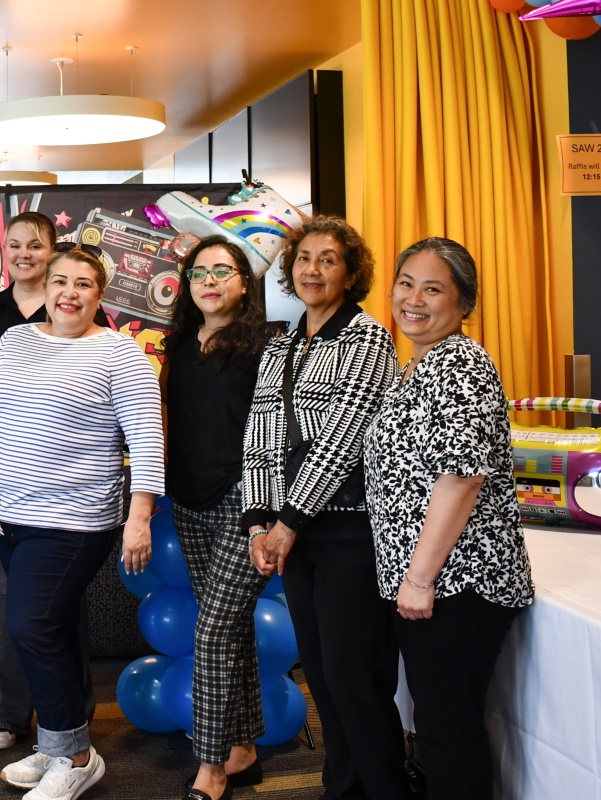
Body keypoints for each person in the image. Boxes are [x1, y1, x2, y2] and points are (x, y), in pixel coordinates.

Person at [0, 246, 164, 800]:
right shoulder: (14, 341)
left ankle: (75, 756)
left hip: (74, 520)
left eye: (82, 283)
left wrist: (139, 516)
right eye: (59, 281)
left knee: (31, 627)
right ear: (44, 287)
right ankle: (57, 744)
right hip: (8, 516)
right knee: (52, 630)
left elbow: (147, 440)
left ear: (100, 295)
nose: (68, 293)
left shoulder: (119, 355)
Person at [363, 238, 533, 800]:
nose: (413, 299)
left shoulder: (461, 363)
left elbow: (460, 478)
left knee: (446, 732)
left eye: (433, 288)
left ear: (463, 302)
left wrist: (419, 578)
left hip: (459, 582)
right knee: (437, 726)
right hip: (435, 580)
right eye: (406, 283)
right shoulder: (419, 365)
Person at [246, 216, 407, 800]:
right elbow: (258, 434)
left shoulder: (366, 339)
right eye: (304, 258)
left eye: (328, 259)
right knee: (320, 673)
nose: (312, 270)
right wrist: (258, 521)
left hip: (351, 532)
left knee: (353, 676)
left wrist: (286, 523)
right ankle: (344, 786)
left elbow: (342, 440)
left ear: (351, 273)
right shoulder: (283, 342)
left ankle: (386, 787)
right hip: (295, 532)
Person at [0, 211, 105, 751]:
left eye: (35, 246)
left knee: (59, 609)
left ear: (54, 253)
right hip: (0, 490)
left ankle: (68, 718)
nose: (24, 254)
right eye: (14, 245)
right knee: (11, 607)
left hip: (68, 504)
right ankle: (7, 712)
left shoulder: (79, 306)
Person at [162, 236, 275, 800]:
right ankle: (244, 750)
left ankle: (209, 767)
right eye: (199, 271)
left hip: (243, 503)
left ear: (243, 282)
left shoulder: (268, 345)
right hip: (187, 501)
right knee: (229, 629)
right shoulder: (178, 343)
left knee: (211, 631)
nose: (210, 281)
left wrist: (268, 513)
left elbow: (275, 434)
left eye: (223, 271)